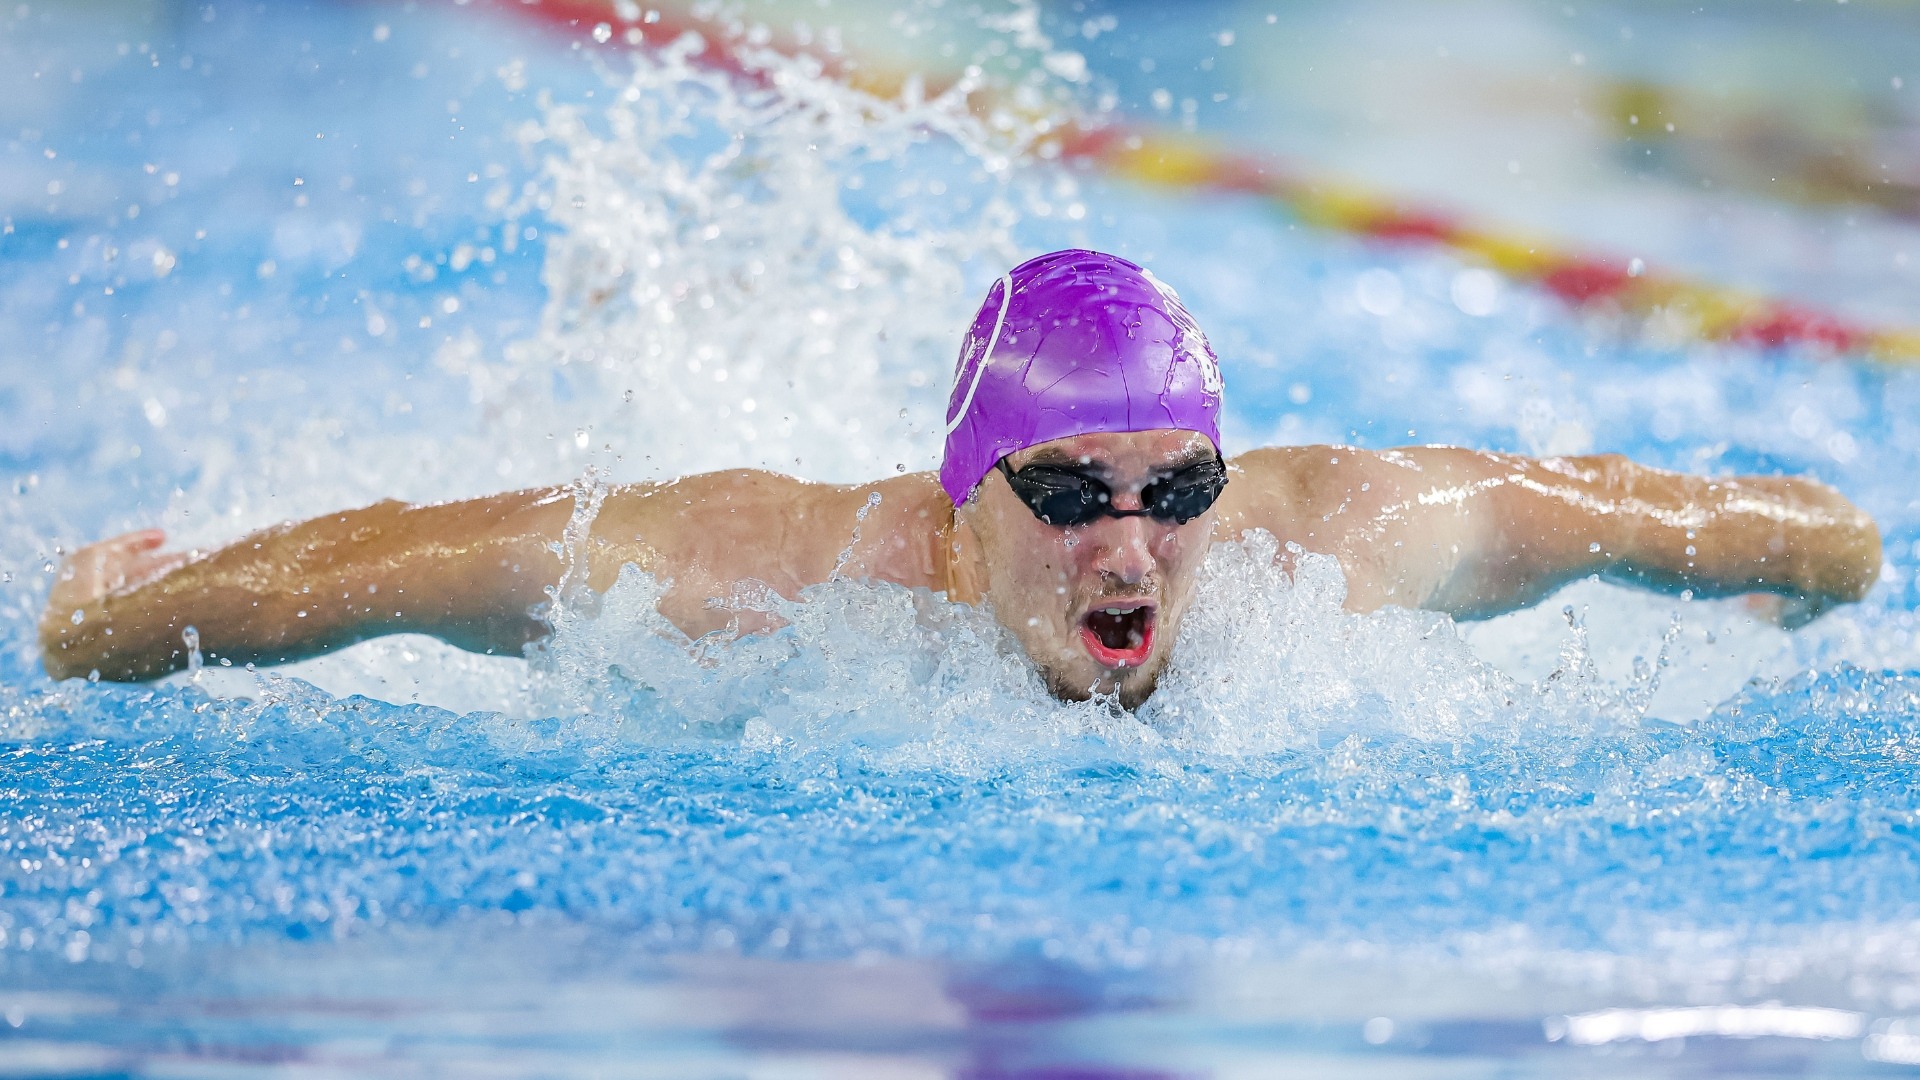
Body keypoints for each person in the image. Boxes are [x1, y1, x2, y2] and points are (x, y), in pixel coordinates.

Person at [38, 250, 1882, 709]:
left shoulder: (1343, 541)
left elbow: (1681, 517)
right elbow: (359, 581)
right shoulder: (765, 577)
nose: (1135, 544)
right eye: (1070, 492)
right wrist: (106, 616)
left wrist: (1835, 558)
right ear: (961, 497)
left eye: (1178, 490)